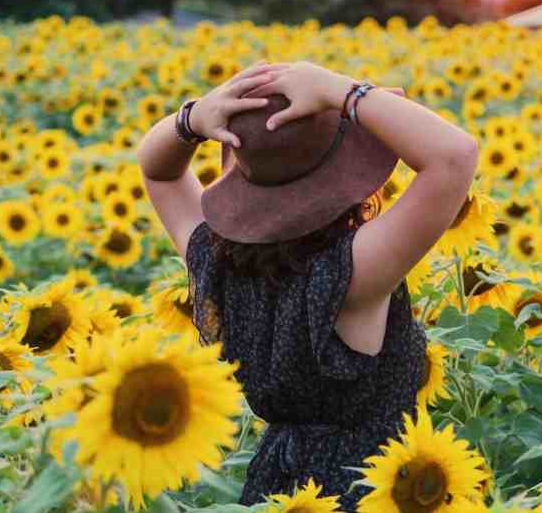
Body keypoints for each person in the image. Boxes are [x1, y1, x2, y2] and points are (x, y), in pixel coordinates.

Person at [137, 60, 479, 509]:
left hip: (276, 493)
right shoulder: (351, 271)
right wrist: (342, 91)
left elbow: (158, 171)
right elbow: (454, 157)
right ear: (344, 174)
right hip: (376, 491)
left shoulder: (213, 260)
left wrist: (192, 119)